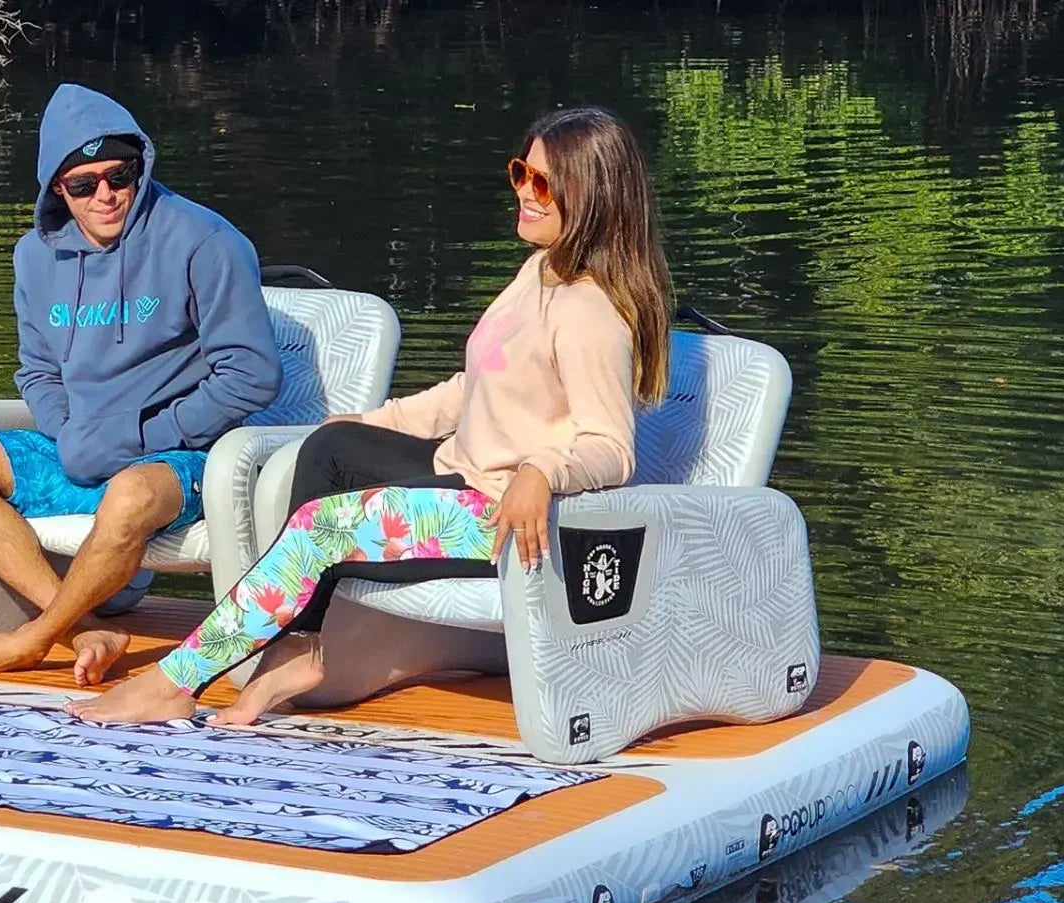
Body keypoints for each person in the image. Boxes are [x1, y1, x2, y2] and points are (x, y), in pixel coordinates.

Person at [68, 106, 672, 725]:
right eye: (521, 171)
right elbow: (474, 388)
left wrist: (542, 470)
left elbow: (612, 446)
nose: (523, 190)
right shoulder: (540, 272)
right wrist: (371, 421)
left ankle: (176, 680)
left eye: (541, 182)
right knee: (330, 449)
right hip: (462, 471)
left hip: (499, 517)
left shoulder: (591, 313)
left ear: (590, 196)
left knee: (323, 530)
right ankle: (296, 648)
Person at [0, 84, 281, 685]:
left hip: (180, 456)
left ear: (140, 165)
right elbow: (36, 371)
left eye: (120, 175)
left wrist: (141, 436)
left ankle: (34, 637)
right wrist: (74, 437)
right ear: (56, 190)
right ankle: (85, 625)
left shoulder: (207, 242)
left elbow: (251, 374)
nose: (106, 195)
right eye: (83, 185)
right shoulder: (34, 257)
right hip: (81, 449)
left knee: (131, 495)